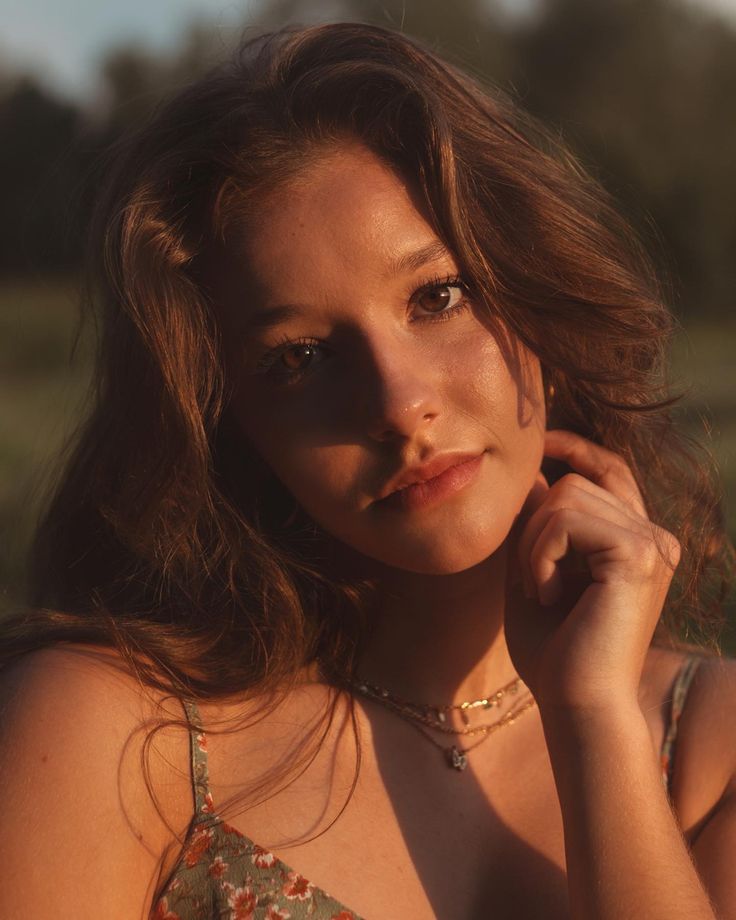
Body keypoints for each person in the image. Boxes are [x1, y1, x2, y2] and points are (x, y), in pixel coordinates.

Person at [1, 21, 734, 920]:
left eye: (439, 297)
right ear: (229, 423)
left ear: (535, 296)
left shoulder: (706, 743)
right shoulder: (109, 736)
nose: (398, 404)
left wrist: (596, 722)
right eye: (301, 356)